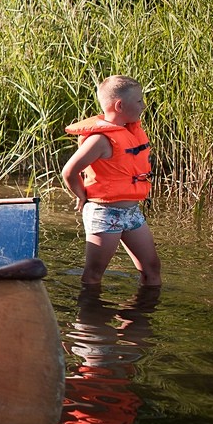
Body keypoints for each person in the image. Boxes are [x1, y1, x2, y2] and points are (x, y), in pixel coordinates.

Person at [62, 75, 161, 287]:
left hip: (132, 212)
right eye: (139, 101)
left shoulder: (128, 132)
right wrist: (81, 195)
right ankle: (90, 309)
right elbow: (69, 171)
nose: (143, 106)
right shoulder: (100, 139)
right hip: (104, 213)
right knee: (93, 276)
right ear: (119, 105)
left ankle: (144, 308)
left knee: (152, 270)